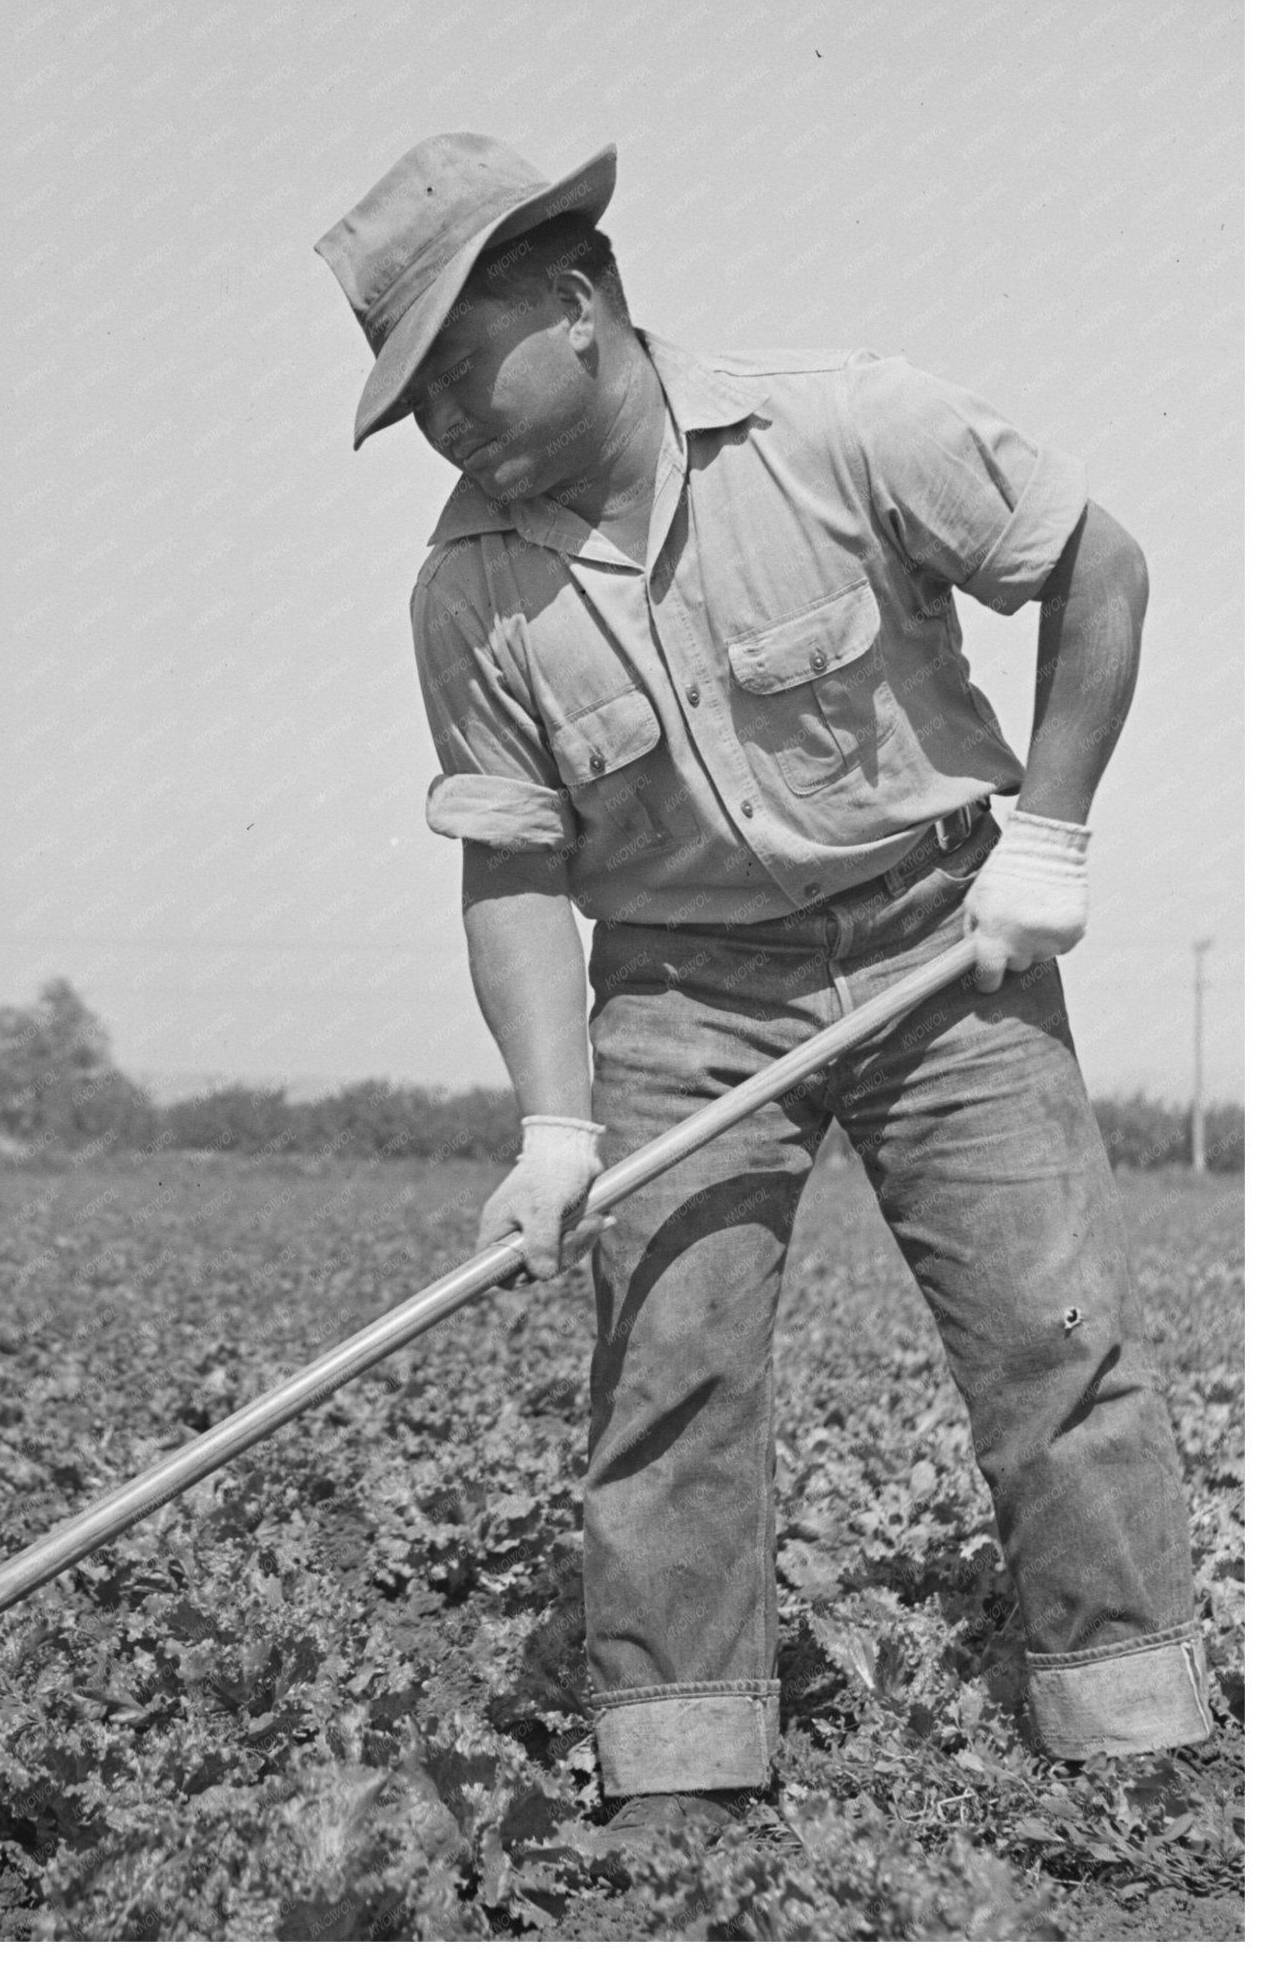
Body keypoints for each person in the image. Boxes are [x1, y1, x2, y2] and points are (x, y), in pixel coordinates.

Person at [314, 133, 1211, 1840]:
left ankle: (1138, 1740)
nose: (435, 417)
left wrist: (1055, 835)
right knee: (671, 1369)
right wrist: (556, 1123)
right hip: (678, 992)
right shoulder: (469, 592)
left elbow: (1102, 567)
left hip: (943, 942)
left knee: (1054, 1334)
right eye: (405, 389)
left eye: (450, 362)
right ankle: (678, 1774)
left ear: (576, 299)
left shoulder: (841, 425)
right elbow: (511, 861)